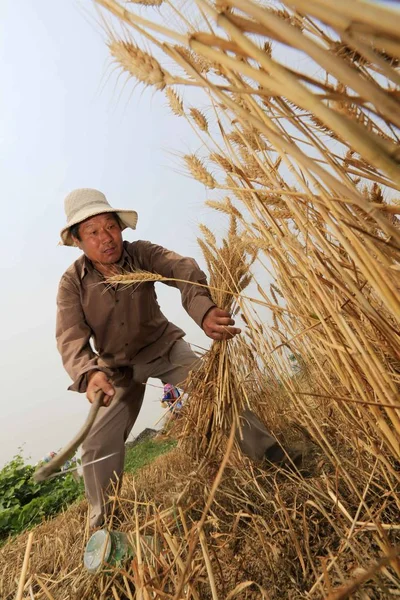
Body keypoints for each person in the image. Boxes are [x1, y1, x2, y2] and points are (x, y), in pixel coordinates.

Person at [56, 188, 301, 529]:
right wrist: (88, 373)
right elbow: (70, 336)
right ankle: (103, 525)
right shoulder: (72, 283)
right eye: (93, 232)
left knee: (217, 392)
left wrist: (204, 311)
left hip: (164, 347)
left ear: (121, 228)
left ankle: (274, 456)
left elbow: (182, 269)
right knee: (97, 442)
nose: (106, 238)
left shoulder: (141, 253)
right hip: (117, 371)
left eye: (110, 227)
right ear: (78, 241)